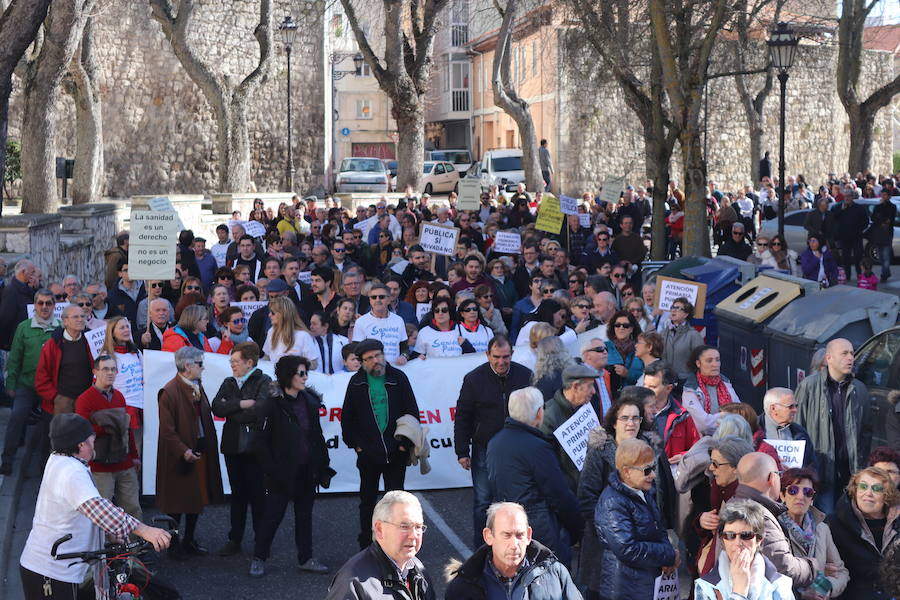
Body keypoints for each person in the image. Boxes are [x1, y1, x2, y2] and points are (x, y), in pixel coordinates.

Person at [19, 414, 171, 600]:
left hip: (47, 568)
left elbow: (81, 509)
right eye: (91, 438)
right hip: (50, 572)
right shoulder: (71, 472)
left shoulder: (59, 459)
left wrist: (108, 533)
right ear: (81, 445)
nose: (94, 441)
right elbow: (99, 508)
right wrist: (145, 530)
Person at [251, 355, 331, 577]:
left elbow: (316, 435)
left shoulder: (310, 401)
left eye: (306, 373)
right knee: (272, 516)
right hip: (282, 473)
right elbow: (260, 441)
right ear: (289, 376)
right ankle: (259, 557)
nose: (305, 377)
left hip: (307, 470)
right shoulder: (272, 405)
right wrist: (272, 470)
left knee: (304, 517)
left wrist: (322, 463)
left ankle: (306, 558)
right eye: (301, 373)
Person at [486, 386, 583, 566]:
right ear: (539, 413)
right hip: (542, 533)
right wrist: (578, 528)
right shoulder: (538, 448)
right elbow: (559, 495)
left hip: (508, 527)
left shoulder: (494, 443)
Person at [341, 339, 421, 549]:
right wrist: (358, 446)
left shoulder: (398, 378)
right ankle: (367, 544)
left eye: (378, 355)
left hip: (396, 452)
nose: (376, 361)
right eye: (369, 358)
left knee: (396, 502)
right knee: (367, 503)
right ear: (362, 362)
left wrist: (403, 445)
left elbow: (411, 413)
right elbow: (348, 419)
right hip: (368, 455)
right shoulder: (356, 383)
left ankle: (396, 543)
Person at [454, 335, 532, 548]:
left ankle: (517, 546)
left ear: (512, 354)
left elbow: (535, 412)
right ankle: (482, 549)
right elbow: (463, 415)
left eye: (506, 357)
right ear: (488, 355)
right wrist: (462, 450)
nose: (501, 362)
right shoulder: (474, 379)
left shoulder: (525, 376)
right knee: (483, 502)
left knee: (518, 501)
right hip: (484, 449)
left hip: (518, 450)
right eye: (496, 357)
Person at [156, 346, 225, 558]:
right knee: (177, 502)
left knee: (197, 497)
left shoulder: (197, 385)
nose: (203, 368)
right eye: (200, 364)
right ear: (187, 366)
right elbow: (167, 431)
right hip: (180, 455)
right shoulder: (169, 392)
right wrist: (183, 451)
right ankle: (174, 544)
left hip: (199, 449)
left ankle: (189, 540)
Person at [210, 342, 275, 558]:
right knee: (237, 495)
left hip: (255, 448)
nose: (232, 366)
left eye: (236, 362)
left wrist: (234, 408)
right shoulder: (229, 382)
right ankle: (234, 539)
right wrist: (242, 404)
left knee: (258, 496)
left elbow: (260, 410)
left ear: (249, 362)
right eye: (231, 362)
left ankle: (261, 541)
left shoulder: (264, 381)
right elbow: (216, 406)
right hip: (232, 447)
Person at [795, 337, 874, 512]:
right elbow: (798, 428)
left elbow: (866, 431)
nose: (850, 358)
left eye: (852, 353)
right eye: (844, 353)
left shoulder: (859, 389)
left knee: (852, 521)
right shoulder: (809, 386)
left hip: (851, 473)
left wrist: (860, 464)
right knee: (826, 520)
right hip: (820, 472)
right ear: (828, 358)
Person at [594, 438, 678, 600]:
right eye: (647, 470)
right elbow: (627, 549)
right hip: (626, 589)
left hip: (645, 584)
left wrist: (668, 556)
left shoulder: (642, 491)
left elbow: (658, 528)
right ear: (626, 471)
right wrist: (668, 555)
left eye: (653, 468)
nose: (653, 475)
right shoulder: (613, 502)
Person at [443, 502, 582, 599]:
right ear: (488, 536)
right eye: (506, 535)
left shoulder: (555, 574)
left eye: (519, 535)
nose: (514, 544)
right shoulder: (462, 587)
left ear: (529, 535)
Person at [730, 452, 819, 587]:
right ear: (772, 478)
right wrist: (813, 565)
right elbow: (783, 569)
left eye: (808, 492)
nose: (800, 497)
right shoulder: (759, 516)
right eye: (779, 474)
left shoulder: (735, 504)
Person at [326, 491, 434, 600]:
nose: (413, 535)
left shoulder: (418, 569)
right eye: (404, 526)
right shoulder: (352, 583)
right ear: (379, 529)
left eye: (418, 527)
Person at [74, 354, 141, 519]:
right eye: (105, 369)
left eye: (113, 369)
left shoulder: (119, 397)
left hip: (125, 463)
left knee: (133, 509)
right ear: (95, 371)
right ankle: (102, 544)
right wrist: (112, 424)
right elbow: (83, 433)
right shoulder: (84, 399)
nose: (110, 373)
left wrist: (134, 456)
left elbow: (127, 429)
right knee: (102, 514)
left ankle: (136, 543)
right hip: (100, 467)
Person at [2, 289, 58, 475]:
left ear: (54, 306)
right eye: (40, 303)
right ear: (34, 305)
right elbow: (15, 357)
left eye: (48, 303)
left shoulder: (59, 329)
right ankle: (7, 459)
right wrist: (10, 384)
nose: (44, 307)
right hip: (26, 384)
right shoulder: (24, 327)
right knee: (17, 417)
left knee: (48, 426)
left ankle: (46, 466)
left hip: (50, 387)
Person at [693, 499, 794, 600]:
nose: (738, 543)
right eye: (730, 535)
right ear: (722, 540)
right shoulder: (706, 586)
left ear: (759, 540)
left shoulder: (780, 585)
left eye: (746, 535)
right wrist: (739, 592)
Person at [827, 466, 900, 600]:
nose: (868, 493)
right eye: (863, 486)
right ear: (855, 491)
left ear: (887, 495)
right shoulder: (833, 524)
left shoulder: (897, 525)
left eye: (877, 489)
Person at [778, 468, 850, 598]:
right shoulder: (774, 528)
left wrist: (824, 589)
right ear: (782, 495)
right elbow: (774, 575)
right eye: (793, 490)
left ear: (812, 499)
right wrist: (803, 595)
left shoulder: (821, 528)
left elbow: (841, 572)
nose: (800, 496)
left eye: (807, 492)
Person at [540, 363, 600, 491]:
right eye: (590, 386)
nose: (594, 391)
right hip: (570, 490)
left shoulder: (585, 408)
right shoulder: (549, 417)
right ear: (576, 387)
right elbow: (549, 464)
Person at [35, 304, 94, 416]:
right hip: (63, 402)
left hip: (86, 400)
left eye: (82, 316)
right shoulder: (53, 344)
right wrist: (55, 397)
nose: (81, 319)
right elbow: (41, 376)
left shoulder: (90, 341)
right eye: (76, 317)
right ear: (65, 321)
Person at [642, 363, 699, 461]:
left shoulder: (682, 415)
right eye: (644, 385)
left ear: (668, 388)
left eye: (652, 387)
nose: (646, 391)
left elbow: (696, 449)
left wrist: (683, 456)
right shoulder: (634, 412)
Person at [681, 345, 739, 436]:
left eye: (717, 360)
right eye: (709, 360)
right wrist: (727, 415)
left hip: (730, 437)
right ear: (698, 363)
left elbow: (740, 412)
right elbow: (703, 424)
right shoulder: (690, 389)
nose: (715, 364)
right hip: (702, 441)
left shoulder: (726, 383)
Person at [352, 283, 411, 365]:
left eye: (381, 297)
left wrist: (404, 356)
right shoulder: (361, 322)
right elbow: (356, 350)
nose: (377, 300)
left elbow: (405, 348)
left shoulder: (398, 320)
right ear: (370, 300)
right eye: (373, 297)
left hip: (395, 369)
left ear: (389, 299)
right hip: (371, 370)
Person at [761, 387, 817, 469]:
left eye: (796, 406)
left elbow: (811, 466)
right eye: (790, 406)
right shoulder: (754, 430)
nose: (795, 410)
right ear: (773, 408)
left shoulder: (800, 432)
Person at [262, 296, 318, 365]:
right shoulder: (271, 332)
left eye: (273, 313)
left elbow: (314, 363)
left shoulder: (303, 335)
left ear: (283, 314)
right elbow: (267, 357)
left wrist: (294, 368)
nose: (269, 315)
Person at [660, 297, 704, 381]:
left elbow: (701, 361)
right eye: (672, 307)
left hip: (685, 383)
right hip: (666, 381)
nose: (673, 310)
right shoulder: (663, 333)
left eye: (678, 308)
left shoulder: (693, 335)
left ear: (686, 314)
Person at [0, 260, 36, 351]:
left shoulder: (28, 289)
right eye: (32, 272)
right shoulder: (11, 291)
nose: (34, 275)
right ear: (23, 272)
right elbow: (6, 319)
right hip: (15, 343)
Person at [605, 309, 644, 390]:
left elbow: (645, 376)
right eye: (617, 325)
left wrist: (628, 374)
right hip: (609, 396)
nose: (621, 328)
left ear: (631, 329)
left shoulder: (641, 348)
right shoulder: (604, 347)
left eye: (625, 325)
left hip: (633, 395)